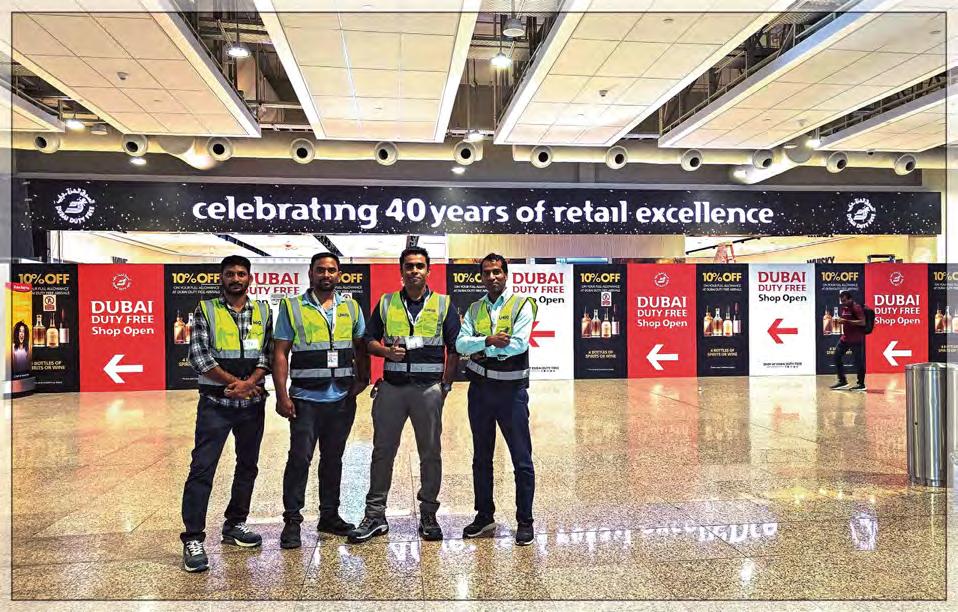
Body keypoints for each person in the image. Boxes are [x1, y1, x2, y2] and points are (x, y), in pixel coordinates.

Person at [347, 246, 460, 544]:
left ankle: (429, 514)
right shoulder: (387, 303)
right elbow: (368, 340)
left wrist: (445, 386)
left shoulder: (444, 304)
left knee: (430, 454)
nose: (414, 271)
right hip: (392, 390)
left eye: (420, 266)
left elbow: (455, 348)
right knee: (382, 452)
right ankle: (375, 515)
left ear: (428, 270)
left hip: (428, 390)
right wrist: (385, 352)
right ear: (401, 271)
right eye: (409, 266)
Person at [179, 255, 273, 573]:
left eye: (241, 274)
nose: (236, 278)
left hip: (251, 406)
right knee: (202, 469)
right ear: (221, 278)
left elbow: (267, 353)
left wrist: (250, 384)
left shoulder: (263, 311)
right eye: (230, 274)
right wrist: (237, 384)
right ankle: (193, 538)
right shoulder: (205, 310)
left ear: (250, 279)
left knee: (247, 466)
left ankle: (235, 524)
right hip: (215, 405)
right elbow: (199, 357)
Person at [272, 252, 370, 549]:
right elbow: (280, 353)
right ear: (310, 273)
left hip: (341, 398)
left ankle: (329, 515)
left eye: (331, 270)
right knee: (299, 459)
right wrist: (281, 394)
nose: (326, 275)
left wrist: (363, 378)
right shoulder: (292, 307)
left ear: (339, 274)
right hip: (305, 399)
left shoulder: (351, 307)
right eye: (320, 270)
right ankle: (292, 521)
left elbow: (360, 346)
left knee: (333, 459)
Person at [455, 254, 538, 546]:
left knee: (521, 459)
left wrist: (480, 349)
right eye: (487, 272)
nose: (492, 277)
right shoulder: (475, 308)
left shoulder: (522, 305)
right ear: (481, 277)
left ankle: (525, 521)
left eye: (497, 272)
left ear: (506, 274)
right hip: (480, 392)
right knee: (481, 457)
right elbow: (461, 344)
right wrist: (490, 341)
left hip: (511, 394)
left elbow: (518, 345)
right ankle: (484, 516)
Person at [830, 289, 866, 392]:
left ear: (850, 299)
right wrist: (842, 321)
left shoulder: (856, 307)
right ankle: (842, 381)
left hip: (856, 339)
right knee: (836, 356)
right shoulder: (845, 308)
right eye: (842, 301)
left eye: (845, 300)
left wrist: (846, 321)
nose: (843, 302)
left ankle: (861, 384)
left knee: (858, 362)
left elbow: (862, 322)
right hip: (845, 338)